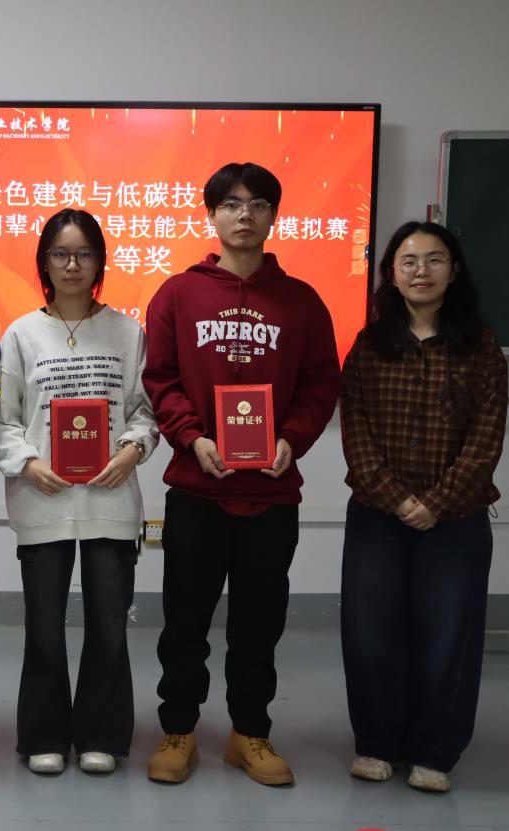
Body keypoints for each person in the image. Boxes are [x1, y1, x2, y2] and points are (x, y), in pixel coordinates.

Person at [141, 162, 341, 786]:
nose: (244, 214)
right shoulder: (178, 294)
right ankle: (178, 729)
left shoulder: (302, 301)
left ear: (273, 215)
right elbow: (161, 379)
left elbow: (320, 384)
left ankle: (249, 733)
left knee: (259, 623)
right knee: (185, 622)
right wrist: (193, 438)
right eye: (230, 203)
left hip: (272, 493)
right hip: (196, 489)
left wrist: (292, 439)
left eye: (257, 203)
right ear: (212, 215)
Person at [0, 208, 158, 775]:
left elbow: (146, 410)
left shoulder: (128, 332)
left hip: (111, 497)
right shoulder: (21, 334)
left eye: (84, 253)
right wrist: (28, 464)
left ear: (100, 262)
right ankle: (44, 736)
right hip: (43, 498)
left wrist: (131, 450)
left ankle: (101, 734)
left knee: (109, 625)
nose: (72, 264)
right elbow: (0, 422)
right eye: (60, 253)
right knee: (44, 628)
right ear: (44, 263)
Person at [340, 221, 506, 793]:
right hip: (376, 516)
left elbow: (485, 439)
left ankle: (435, 751)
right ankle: (376, 744)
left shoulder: (482, 346)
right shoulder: (369, 345)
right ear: (391, 273)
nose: (421, 271)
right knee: (370, 634)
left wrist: (434, 503)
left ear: (453, 271)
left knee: (449, 636)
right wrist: (396, 499)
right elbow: (355, 430)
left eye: (434, 259)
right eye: (408, 261)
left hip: (456, 518)